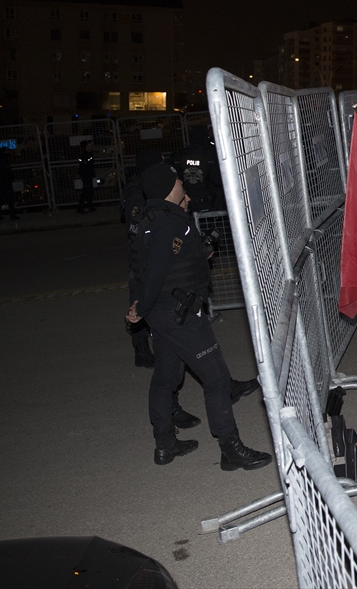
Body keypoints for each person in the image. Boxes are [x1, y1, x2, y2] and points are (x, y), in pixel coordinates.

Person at [128, 163, 270, 469]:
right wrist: (141, 308)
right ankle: (230, 448)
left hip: (163, 314)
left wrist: (142, 306)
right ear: (168, 187)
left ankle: (165, 444)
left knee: (166, 377)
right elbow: (154, 274)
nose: (183, 183)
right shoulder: (168, 222)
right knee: (217, 379)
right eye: (178, 180)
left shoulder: (147, 218)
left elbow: (147, 268)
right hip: (178, 314)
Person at [122, 149, 164, 368]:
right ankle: (141, 348)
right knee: (140, 297)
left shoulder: (138, 186)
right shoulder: (139, 190)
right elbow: (137, 224)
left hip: (141, 253)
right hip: (142, 255)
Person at [77, 140, 97, 214]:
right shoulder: (84, 155)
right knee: (85, 191)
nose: (91, 147)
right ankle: (80, 208)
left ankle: (90, 207)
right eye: (89, 146)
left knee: (89, 191)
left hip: (88, 174)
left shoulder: (89, 154)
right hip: (86, 175)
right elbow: (84, 164)